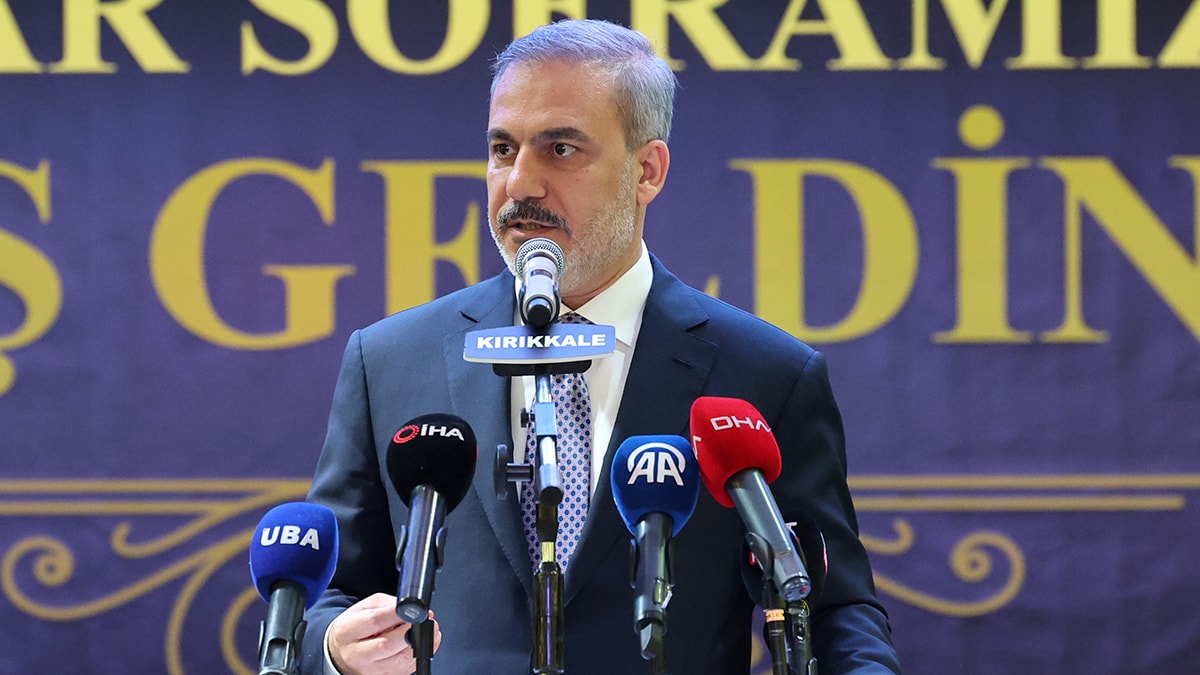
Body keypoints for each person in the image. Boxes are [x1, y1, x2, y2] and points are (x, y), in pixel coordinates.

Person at [300, 18, 901, 675]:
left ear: (647, 170)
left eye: (560, 149)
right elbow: (319, 599)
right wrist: (333, 648)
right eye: (503, 149)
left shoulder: (766, 374)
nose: (519, 184)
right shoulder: (389, 360)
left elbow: (837, 610)